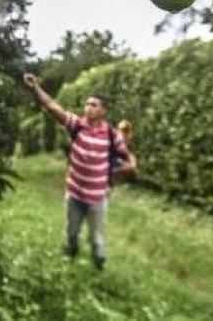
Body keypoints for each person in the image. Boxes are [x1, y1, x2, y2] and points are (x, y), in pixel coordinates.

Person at [23, 73, 132, 270]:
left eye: (94, 105)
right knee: (72, 233)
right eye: (87, 104)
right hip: (74, 194)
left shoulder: (111, 135)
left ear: (104, 111)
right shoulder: (77, 125)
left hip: (97, 198)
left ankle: (99, 269)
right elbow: (52, 106)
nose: (88, 108)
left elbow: (127, 157)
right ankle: (69, 261)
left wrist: (126, 169)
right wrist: (35, 88)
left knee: (97, 239)